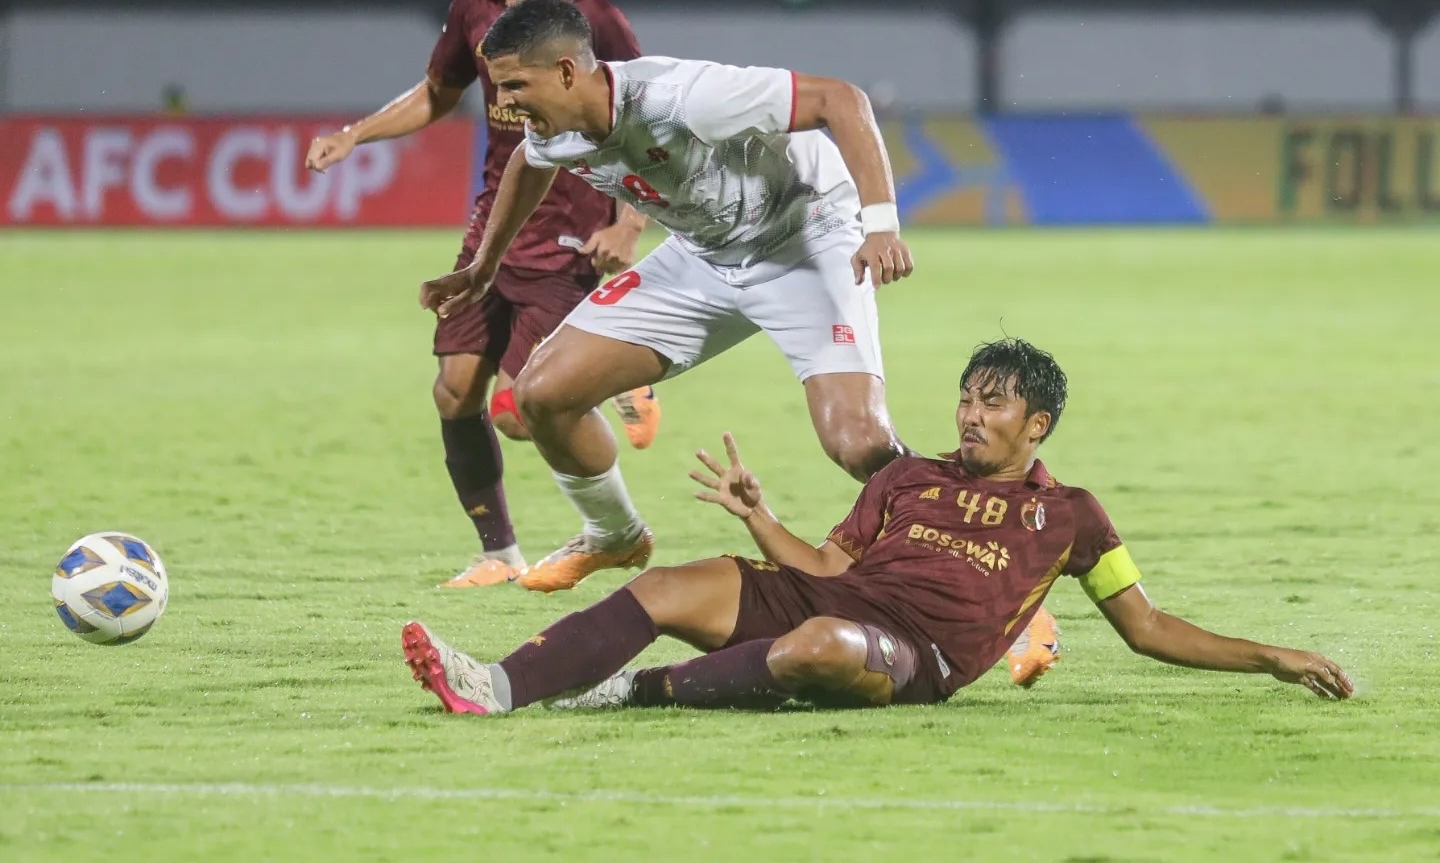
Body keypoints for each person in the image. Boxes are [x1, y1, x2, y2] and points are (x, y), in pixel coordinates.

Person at [398, 338, 1354, 714]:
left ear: (1039, 425)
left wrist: (1269, 655)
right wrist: (758, 515)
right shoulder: (906, 474)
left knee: (816, 644)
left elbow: (1146, 628)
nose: (973, 415)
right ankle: (501, 686)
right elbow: (826, 561)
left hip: (913, 653)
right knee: (665, 584)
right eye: (967, 398)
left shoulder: (1072, 517)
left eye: (996, 404)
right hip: (831, 595)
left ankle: (628, 693)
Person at [418, 0, 919, 598]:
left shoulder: (685, 98)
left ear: (569, 71)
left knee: (859, 442)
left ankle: (975, 569)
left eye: (516, 86)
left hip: (803, 240)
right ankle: (614, 534)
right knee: (542, 394)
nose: (505, 103)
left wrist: (881, 223)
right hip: (703, 257)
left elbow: (842, 100)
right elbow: (530, 162)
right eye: (499, 87)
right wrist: (482, 268)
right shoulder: (556, 124)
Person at [304, 0, 661, 590]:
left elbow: (646, 126)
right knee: (454, 391)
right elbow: (439, 92)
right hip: (494, 225)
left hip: (572, 233)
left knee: (520, 412)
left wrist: (629, 225)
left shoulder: (596, 19)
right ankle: (500, 552)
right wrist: (357, 133)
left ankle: (617, 387)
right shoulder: (474, 5)